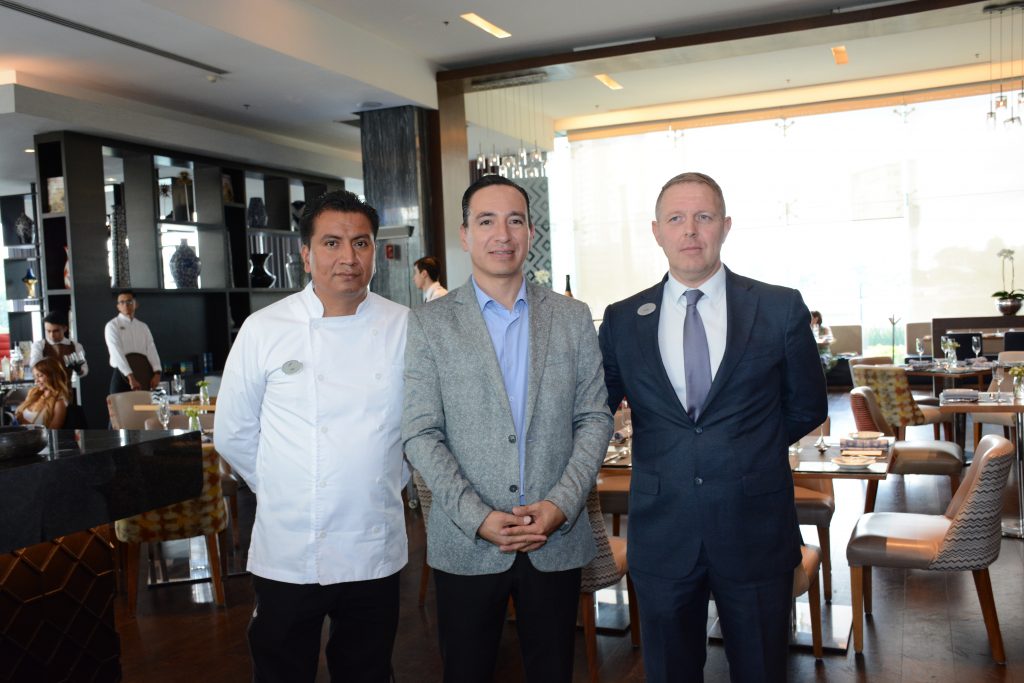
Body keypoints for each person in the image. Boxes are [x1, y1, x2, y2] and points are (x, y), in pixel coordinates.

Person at [598, 172, 827, 682]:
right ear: (656, 231)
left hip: (756, 526)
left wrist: (744, 449)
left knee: (763, 669)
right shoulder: (621, 319)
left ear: (725, 226)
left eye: (703, 217)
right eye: (676, 219)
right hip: (662, 529)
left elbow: (807, 405)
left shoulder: (778, 306)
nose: (690, 231)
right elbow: (597, 409)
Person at [402, 174, 613, 682]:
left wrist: (559, 505)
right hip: (467, 542)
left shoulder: (572, 317)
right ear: (465, 234)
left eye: (515, 220)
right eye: (487, 221)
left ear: (531, 232)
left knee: (553, 672)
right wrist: (477, 516)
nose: (503, 234)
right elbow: (420, 432)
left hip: (553, 539)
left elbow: (594, 418)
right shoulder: (430, 324)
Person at [215, 190, 408, 682]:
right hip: (291, 543)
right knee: (282, 671)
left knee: (367, 672)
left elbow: (418, 429)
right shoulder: (264, 329)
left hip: (373, 540)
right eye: (332, 243)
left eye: (361, 243)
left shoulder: (405, 326)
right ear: (305, 254)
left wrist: (377, 481)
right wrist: (288, 484)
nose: (348, 257)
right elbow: (233, 432)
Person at [104, 290, 162, 394]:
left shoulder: (143, 327)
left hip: (144, 374)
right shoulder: (112, 325)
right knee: (120, 410)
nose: (125, 305)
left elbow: (151, 349)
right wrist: (130, 377)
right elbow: (116, 352)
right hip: (121, 375)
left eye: (129, 301)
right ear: (118, 306)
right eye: (122, 302)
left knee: (144, 409)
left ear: (136, 304)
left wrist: (157, 373)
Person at [29, 311, 88, 385]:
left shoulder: (75, 346)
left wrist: (79, 370)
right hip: (45, 391)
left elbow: (84, 370)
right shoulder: (39, 345)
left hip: (66, 391)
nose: (51, 335)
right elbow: (34, 365)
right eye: (48, 331)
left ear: (65, 328)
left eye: (56, 331)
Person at [16, 357, 71, 428]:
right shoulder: (33, 393)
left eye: (40, 376)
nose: (36, 381)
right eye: (35, 377)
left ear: (52, 376)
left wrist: (24, 423)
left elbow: (51, 433)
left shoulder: (59, 403)